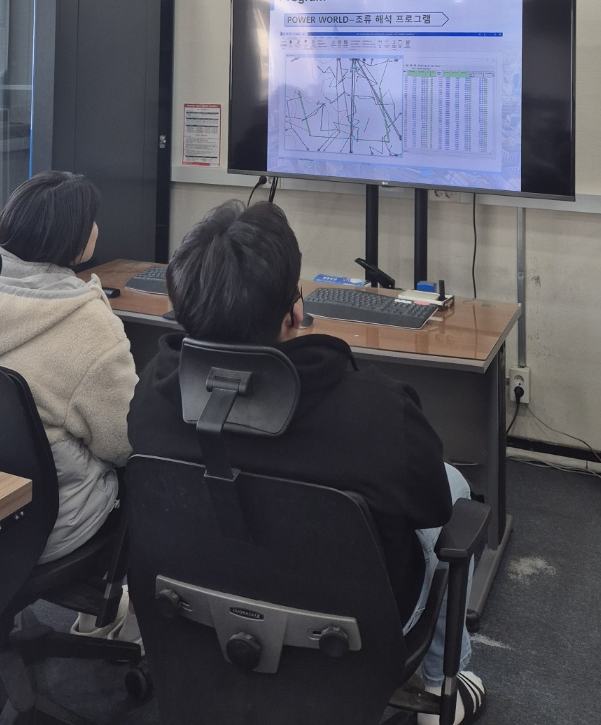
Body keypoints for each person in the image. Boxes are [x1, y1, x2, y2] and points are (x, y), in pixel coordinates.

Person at [127, 200, 485, 725]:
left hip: (198, 605)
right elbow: (433, 507)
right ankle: (440, 691)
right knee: (454, 486)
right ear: (294, 312)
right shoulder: (378, 412)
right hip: (355, 629)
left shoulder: (151, 396)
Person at [0, 170, 137, 564]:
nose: (97, 228)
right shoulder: (88, 325)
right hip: (56, 520)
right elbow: (124, 444)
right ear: (73, 239)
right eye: (91, 221)